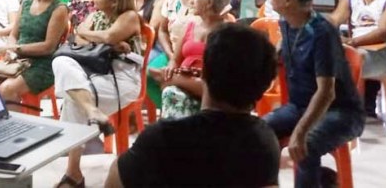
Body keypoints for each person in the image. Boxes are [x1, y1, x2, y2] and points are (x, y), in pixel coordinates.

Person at [105, 24, 279, 188]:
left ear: (204, 72)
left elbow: (115, 181)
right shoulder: (264, 142)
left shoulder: (163, 138)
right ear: (264, 85)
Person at [260, 0, 365, 188]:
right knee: (258, 131)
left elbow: (327, 92)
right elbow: (280, 54)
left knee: (306, 144)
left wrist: (300, 131)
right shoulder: (287, 22)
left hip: (340, 112)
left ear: (288, 0)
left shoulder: (321, 32)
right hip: (299, 107)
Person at [53, 0, 143, 188]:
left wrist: (96, 35)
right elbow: (79, 37)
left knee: (73, 99)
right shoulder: (97, 15)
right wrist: (104, 40)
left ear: (115, 0)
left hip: (122, 79)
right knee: (61, 61)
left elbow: (104, 35)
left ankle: (73, 174)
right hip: (94, 73)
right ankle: (92, 112)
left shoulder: (129, 16)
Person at [154, 0, 233, 119]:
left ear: (209, 3)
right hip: (188, 80)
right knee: (160, 77)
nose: (191, 1)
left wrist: (175, 78)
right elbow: (175, 59)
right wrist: (171, 67)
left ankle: (175, 81)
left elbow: (220, 77)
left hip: (209, 86)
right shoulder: (189, 26)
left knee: (170, 89)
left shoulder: (225, 32)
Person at [0, 0, 69, 102]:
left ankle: (16, 117)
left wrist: (16, 48)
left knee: (6, 89)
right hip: (19, 59)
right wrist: (10, 50)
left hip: (43, 65)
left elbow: (48, 47)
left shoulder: (59, 9)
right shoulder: (26, 2)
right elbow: (13, 34)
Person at [147, 0, 209, 108]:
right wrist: (171, 55)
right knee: (148, 74)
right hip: (173, 52)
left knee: (170, 78)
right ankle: (169, 109)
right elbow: (162, 31)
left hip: (197, 54)